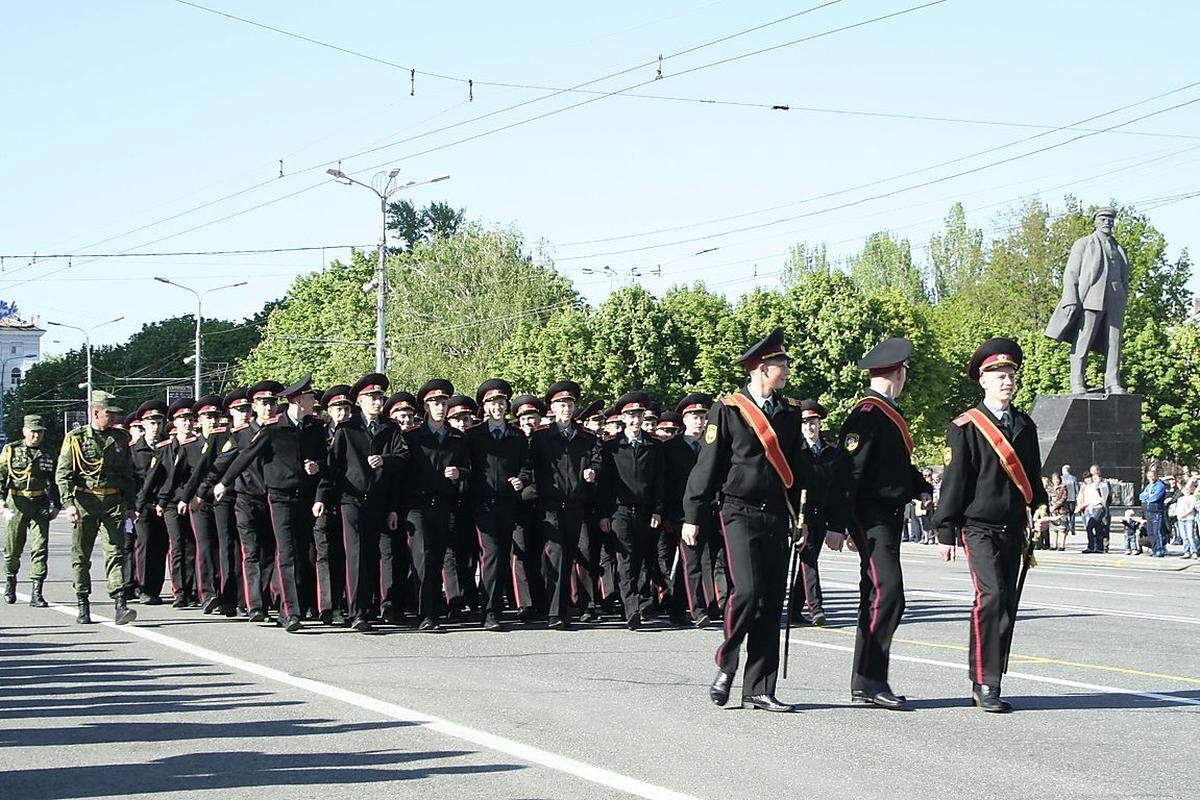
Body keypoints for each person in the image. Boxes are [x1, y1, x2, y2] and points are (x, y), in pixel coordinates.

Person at [684, 328, 806, 713]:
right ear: (760, 368)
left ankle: (759, 687)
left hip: (777, 513)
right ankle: (727, 661)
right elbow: (708, 465)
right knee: (749, 592)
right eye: (779, 365)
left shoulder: (789, 413)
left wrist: (803, 518)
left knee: (771, 601)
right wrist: (693, 514)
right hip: (738, 511)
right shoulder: (729, 409)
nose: (785, 370)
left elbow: (798, 470)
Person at [933, 338, 1048, 713]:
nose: (1006, 381)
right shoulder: (966, 427)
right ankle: (983, 681)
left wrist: (1041, 505)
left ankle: (994, 678)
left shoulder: (1025, 426)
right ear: (982, 380)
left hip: (1013, 525)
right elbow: (955, 482)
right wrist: (945, 530)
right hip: (978, 526)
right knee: (991, 597)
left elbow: (1032, 475)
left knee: (1007, 603)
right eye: (998, 375)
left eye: (1010, 374)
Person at [831, 336, 933, 710]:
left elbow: (896, 467)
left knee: (877, 596)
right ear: (898, 372)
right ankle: (872, 679)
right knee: (888, 594)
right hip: (870, 517)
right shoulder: (868, 415)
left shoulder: (886, 412)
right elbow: (849, 472)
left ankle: (866, 681)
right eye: (906, 371)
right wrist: (838, 524)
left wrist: (919, 486)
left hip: (886, 517)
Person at [215, 374, 327, 633]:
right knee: (285, 553)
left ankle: (295, 605)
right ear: (298, 400)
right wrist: (225, 482)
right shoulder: (274, 429)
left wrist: (317, 471)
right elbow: (245, 456)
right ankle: (290, 612)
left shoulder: (314, 428)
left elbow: (326, 464)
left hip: (306, 498)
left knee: (301, 553)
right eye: (310, 397)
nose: (314, 400)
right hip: (279, 497)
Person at [315, 374, 408, 631]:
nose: (378, 402)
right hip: (351, 499)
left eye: (380, 398)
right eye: (372, 398)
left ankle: (373, 606)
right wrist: (322, 497)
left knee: (373, 554)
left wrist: (385, 460)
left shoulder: (390, 428)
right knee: (355, 555)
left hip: (379, 500)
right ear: (360, 401)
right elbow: (333, 468)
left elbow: (403, 459)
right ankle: (358, 612)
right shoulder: (347, 429)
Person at [522, 380, 602, 630]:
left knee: (570, 554)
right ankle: (555, 612)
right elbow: (528, 467)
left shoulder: (587, 437)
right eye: (560, 404)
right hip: (550, 504)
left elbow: (598, 461)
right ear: (552, 409)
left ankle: (567, 607)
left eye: (569, 404)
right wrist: (523, 485)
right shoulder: (541, 437)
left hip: (577, 504)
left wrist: (592, 472)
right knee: (556, 553)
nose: (565, 408)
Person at [56, 390, 139, 625]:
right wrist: (68, 504)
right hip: (85, 502)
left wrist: (131, 505)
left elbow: (127, 475)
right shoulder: (76, 438)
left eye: (114, 414)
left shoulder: (120, 438)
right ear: (95, 412)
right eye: (109, 413)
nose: (113, 418)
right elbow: (63, 474)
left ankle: (120, 604)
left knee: (116, 552)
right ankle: (83, 602)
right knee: (81, 556)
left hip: (113, 502)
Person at [401, 379, 471, 632]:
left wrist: (459, 473)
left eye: (443, 403)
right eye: (434, 403)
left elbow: (469, 469)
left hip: (444, 504)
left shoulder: (456, 437)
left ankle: (434, 609)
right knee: (422, 557)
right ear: (425, 407)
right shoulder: (412, 436)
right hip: (417, 505)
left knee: (439, 556)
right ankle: (425, 613)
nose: (440, 408)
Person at [464, 378, 528, 631]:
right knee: (490, 554)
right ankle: (489, 611)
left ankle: (495, 606)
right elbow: (466, 466)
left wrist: (521, 479)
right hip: (482, 504)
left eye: (501, 403)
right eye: (492, 403)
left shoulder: (517, 436)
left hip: (508, 504)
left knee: (502, 556)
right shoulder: (473, 435)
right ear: (485, 408)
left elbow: (527, 465)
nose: (498, 407)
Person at [599, 391, 665, 631]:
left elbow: (660, 482)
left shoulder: (654, 446)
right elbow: (605, 484)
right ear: (623, 418)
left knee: (644, 558)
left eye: (639, 415)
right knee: (625, 558)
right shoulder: (612, 447)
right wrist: (604, 514)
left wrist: (658, 510)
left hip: (647, 511)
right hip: (620, 510)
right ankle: (631, 607)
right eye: (631, 416)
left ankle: (642, 599)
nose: (636, 420)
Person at [660, 393, 717, 628]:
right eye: (694, 417)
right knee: (692, 561)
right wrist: (667, 514)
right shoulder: (671, 448)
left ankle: (677, 607)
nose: (699, 422)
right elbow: (665, 483)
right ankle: (699, 609)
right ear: (684, 420)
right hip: (681, 514)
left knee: (704, 561)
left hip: (708, 512)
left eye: (703, 417)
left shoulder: (711, 447)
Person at [790, 399, 842, 627]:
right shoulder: (795, 451)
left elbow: (837, 489)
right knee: (808, 559)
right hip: (801, 515)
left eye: (813, 422)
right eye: (805, 423)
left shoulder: (832, 452)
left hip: (822, 514)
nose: (810, 427)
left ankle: (793, 608)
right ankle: (816, 607)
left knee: (808, 561)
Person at [1, 415, 61, 607]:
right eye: (33, 431)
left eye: (40, 432)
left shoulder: (49, 452)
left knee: (40, 548)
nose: (37, 435)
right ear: (25, 431)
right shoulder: (11, 450)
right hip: (16, 502)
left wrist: (57, 505)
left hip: (40, 503)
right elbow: (1, 476)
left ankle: (37, 591)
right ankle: (11, 580)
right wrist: (1, 501)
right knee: (13, 549)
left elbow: (55, 481)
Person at [509, 394, 547, 620]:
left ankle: (542, 600)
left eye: (532, 418)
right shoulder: (513, 440)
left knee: (542, 553)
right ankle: (525, 603)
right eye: (523, 419)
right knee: (520, 554)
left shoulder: (546, 440)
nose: (528, 423)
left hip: (543, 504)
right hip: (519, 504)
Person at [129, 400, 169, 604]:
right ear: (143, 424)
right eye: (151, 422)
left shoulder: (168, 447)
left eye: (159, 422)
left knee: (161, 547)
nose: (156, 426)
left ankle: (155, 588)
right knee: (144, 546)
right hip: (142, 505)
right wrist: (134, 505)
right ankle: (143, 587)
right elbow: (131, 479)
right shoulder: (134, 450)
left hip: (163, 504)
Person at [1077, 466, 1110, 554]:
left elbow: (1103, 494)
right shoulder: (1086, 487)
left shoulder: (1098, 485)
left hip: (1098, 508)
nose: (1088, 480)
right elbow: (1082, 498)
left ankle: (1091, 546)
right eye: (1085, 479)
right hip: (1091, 509)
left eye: (1089, 478)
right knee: (1097, 528)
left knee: (1090, 526)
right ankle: (1099, 547)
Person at [1139, 466, 1169, 557]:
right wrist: (1148, 496)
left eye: (1152, 476)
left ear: (1156, 476)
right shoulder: (1148, 486)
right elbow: (1141, 497)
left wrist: (1147, 496)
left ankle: (1160, 550)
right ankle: (1154, 549)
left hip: (1156, 511)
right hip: (1148, 511)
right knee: (1151, 532)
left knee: (1157, 531)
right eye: (1148, 476)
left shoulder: (1160, 485)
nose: (1150, 478)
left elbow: (1154, 498)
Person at [1176, 478, 1199, 559]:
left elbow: (1192, 508)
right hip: (1181, 519)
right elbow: (1178, 509)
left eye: (1188, 489)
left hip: (1189, 518)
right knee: (1184, 537)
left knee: (1190, 536)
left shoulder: (1193, 497)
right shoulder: (1180, 499)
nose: (1186, 491)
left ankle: (1194, 551)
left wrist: (1184, 514)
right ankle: (1186, 551)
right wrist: (1179, 516)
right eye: (1185, 489)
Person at [1049, 472, 1069, 551]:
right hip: (1052, 511)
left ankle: (1061, 545)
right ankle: (1054, 545)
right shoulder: (1051, 488)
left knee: (1062, 528)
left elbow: (1063, 498)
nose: (1056, 480)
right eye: (1054, 479)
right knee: (1053, 528)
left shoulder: (1063, 487)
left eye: (1057, 479)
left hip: (1061, 510)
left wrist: (1055, 506)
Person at [1061, 465, 1079, 537]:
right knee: (1072, 514)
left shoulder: (1061, 478)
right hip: (1072, 499)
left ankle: (1067, 526)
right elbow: (1076, 488)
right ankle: (1072, 528)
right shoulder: (1073, 478)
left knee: (1065, 513)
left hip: (1064, 499)